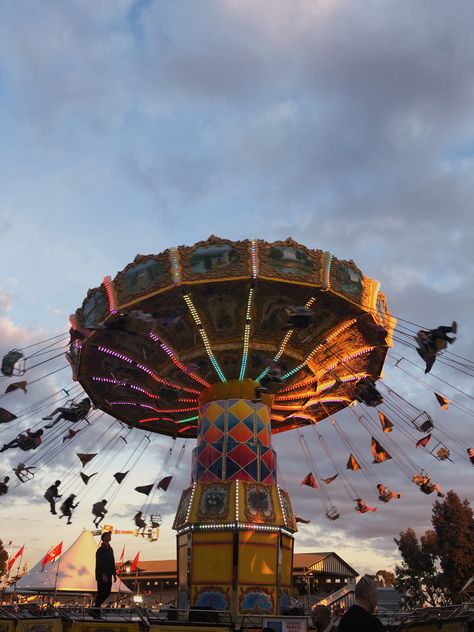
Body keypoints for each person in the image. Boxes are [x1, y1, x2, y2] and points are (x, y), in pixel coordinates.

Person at [94, 531, 117, 608]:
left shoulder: (110, 549)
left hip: (109, 573)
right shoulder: (100, 550)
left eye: (110, 536)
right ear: (103, 538)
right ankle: (96, 609)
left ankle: (96, 607)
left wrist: (114, 574)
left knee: (107, 592)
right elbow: (99, 563)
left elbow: (112, 562)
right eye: (107, 536)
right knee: (101, 592)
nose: (109, 537)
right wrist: (103, 574)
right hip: (101, 575)